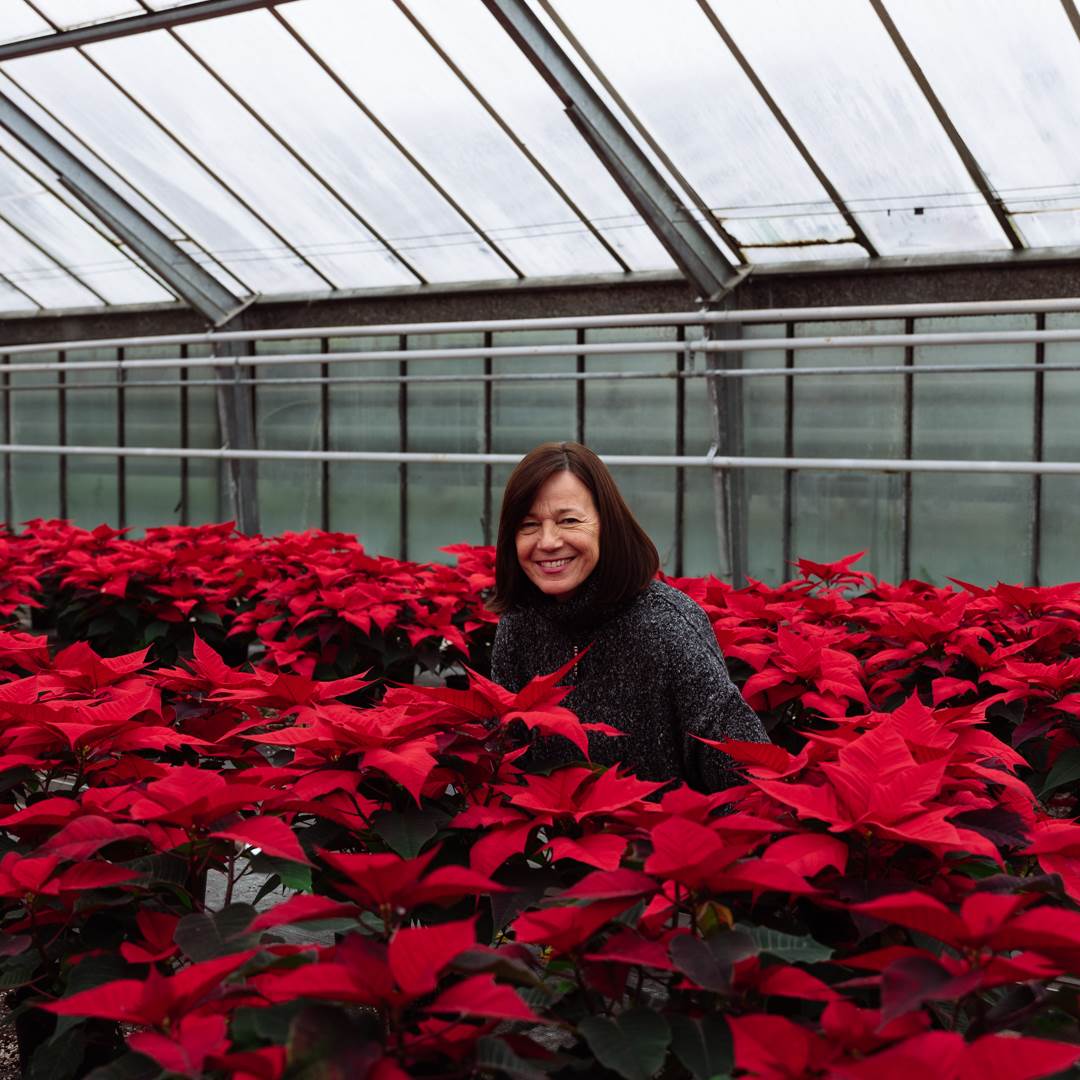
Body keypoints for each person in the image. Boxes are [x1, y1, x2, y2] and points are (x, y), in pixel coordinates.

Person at [489, 441, 768, 792]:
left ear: (608, 524)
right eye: (529, 525)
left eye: (569, 520)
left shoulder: (668, 628)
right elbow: (504, 759)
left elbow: (746, 778)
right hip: (554, 844)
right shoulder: (520, 624)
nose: (547, 541)